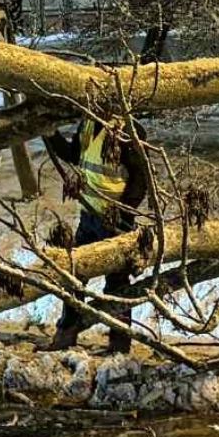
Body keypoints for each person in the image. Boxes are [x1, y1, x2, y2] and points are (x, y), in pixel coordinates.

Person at [41, 116, 151, 353]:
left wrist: (121, 213)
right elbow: (74, 154)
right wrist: (50, 134)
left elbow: (140, 181)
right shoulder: (87, 124)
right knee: (73, 276)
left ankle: (119, 343)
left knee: (117, 283)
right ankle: (66, 335)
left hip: (115, 221)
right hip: (88, 216)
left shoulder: (129, 132)